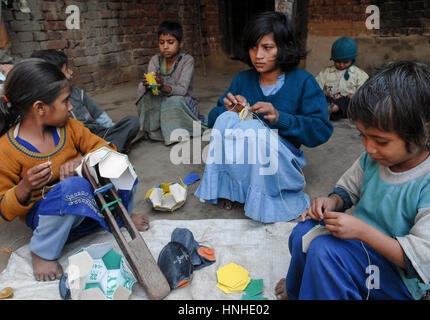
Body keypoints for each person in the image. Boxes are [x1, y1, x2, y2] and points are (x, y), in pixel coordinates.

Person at [275, 61, 430, 300]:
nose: (369, 147)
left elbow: (422, 261)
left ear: (424, 134)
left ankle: (320, 287)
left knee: (325, 253)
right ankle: (301, 288)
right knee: (303, 232)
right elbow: (349, 189)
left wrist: (362, 231)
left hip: (400, 279)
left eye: (381, 140)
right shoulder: (373, 159)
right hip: (363, 248)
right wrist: (332, 202)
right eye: (363, 136)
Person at [0, 59, 149, 282]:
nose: (71, 107)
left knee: (118, 163)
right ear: (40, 108)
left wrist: (83, 160)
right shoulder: (6, 149)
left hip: (88, 210)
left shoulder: (71, 127)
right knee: (73, 187)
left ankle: (120, 218)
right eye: (65, 101)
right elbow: (4, 209)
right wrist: (24, 187)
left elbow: (106, 149)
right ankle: (42, 251)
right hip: (50, 219)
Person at [195, 12, 333, 222]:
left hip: (282, 157)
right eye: (253, 47)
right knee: (227, 121)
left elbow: (321, 129)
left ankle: (267, 199)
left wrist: (280, 118)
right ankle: (231, 190)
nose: (258, 55)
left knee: (255, 131)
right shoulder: (242, 79)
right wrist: (228, 110)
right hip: (248, 155)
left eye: (267, 48)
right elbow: (214, 121)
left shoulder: (303, 81)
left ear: (283, 48)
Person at [30, 49, 140, 154]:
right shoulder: (46, 106)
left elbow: (98, 114)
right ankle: (110, 151)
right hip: (75, 141)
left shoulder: (78, 93)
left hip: (97, 134)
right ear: (53, 75)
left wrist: (113, 129)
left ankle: (106, 150)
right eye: (66, 69)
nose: (71, 72)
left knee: (132, 122)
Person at [136, 20, 206, 146]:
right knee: (142, 88)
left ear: (180, 44)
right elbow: (152, 85)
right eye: (161, 42)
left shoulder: (187, 60)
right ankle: (153, 131)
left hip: (183, 103)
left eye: (170, 42)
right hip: (161, 99)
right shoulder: (155, 60)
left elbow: (182, 90)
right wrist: (150, 84)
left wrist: (162, 86)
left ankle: (174, 132)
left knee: (173, 101)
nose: (165, 47)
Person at [315, 37, 369, 121]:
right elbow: (315, 86)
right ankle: (329, 108)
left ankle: (332, 109)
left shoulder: (360, 74)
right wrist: (322, 92)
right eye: (338, 61)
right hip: (330, 100)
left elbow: (365, 93)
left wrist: (355, 96)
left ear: (352, 59)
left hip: (348, 104)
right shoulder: (325, 72)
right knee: (320, 97)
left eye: (345, 62)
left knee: (348, 101)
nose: (341, 64)